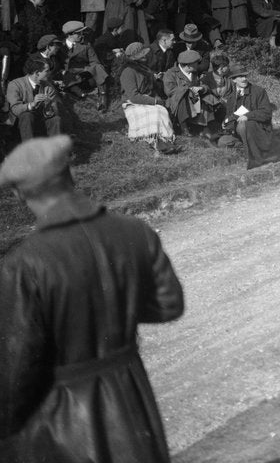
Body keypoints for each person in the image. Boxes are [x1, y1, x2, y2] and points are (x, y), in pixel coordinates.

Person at [0, 135, 184, 462]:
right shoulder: (135, 230)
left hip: (63, 416)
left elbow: (17, 369)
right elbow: (169, 304)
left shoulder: (24, 263)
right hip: (131, 395)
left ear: (18, 194)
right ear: (70, 174)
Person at [119, 41, 176, 151]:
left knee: (161, 111)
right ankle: (154, 141)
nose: (145, 56)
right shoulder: (128, 72)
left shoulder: (144, 69)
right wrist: (155, 101)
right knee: (153, 112)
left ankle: (164, 139)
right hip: (132, 103)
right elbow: (134, 96)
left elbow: (149, 88)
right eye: (141, 55)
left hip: (147, 99)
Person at [223, 63, 274, 169]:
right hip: (239, 131)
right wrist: (226, 122)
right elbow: (231, 116)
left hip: (259, 128)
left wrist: (248, 116)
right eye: (240, 77)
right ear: (233, 80)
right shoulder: (231, 97)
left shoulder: (258, 91)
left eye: (245, 76)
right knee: (222, 142)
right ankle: (249, 149)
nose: (244, 79)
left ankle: (256, 158)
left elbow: (267, 113)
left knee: (243, 126)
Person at [6, 57, 62, 141]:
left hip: (39, 122)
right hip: (19, 123)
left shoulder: (48, 87)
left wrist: (49, 105)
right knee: (27, 115)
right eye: (46, 71)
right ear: (37, 73)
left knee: (55, 119)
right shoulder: (15, 84)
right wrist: (32, 104)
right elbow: (15, 109)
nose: (49, 73)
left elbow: (55, 112)